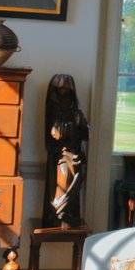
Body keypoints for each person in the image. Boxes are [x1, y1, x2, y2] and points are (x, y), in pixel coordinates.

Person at [41, 74, 89, 228]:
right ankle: (58, 216)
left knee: (73, 183)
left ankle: (67, 216)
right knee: (61, 182)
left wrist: (79, 122)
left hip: (74, 154)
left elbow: (85, 133)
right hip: (60, 155)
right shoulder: (52, 111)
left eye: (67, 90)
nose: (64, 94)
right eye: (60, 90)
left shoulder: (76, 110)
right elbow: (53, 134)